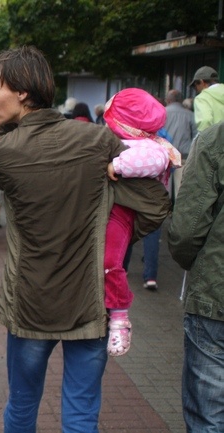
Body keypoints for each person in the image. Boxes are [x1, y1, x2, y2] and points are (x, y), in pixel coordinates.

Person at [0, 46, 170, 433]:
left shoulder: (0, 152)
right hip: (90, 303)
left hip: (31, 303)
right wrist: (111, 240)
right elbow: (155, 204)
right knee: (81, 415)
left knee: (21, 405)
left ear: (22, 91)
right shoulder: (98, 142)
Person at [102, 88, 182, 356]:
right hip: (115, 209)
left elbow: (150, 160)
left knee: (110, 262)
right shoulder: (130, 139)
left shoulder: (149, 146)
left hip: (124, 212)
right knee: (108, 262)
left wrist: (116, 165)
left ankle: (119, 316)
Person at [167, 121, 224, 433]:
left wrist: (194, 264)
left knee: (209, 419)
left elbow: (186, 231)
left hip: (216, 295)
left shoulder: (217, 138)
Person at [164, 89, 197, 198]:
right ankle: (178, 213)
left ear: (168, 100)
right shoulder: (190, 115)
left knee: (164, 189)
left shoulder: (162, 113)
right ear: (181, 101)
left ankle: (164, 213)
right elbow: (196, 136)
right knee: (181, 190)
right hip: (184, 156)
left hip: (165, 157)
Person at [190, 66, 224, 131]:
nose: (196, 90)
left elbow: (205, 121)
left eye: (195, 86)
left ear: (202, 82)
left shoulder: (202, 98)